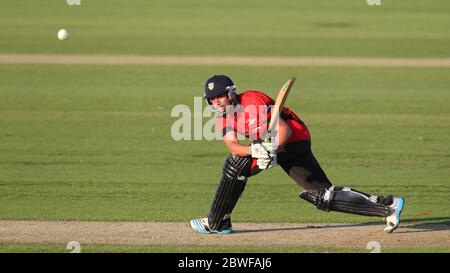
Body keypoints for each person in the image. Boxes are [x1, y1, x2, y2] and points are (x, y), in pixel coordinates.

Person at [189, 75, 404, 234]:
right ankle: (388, 205)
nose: (215, 102)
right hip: (271, 145)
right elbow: (233, 146)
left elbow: (284, 130)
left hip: (294, 140)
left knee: (236, 166)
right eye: (211, 99)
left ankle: (217, 222)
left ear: (231, 93)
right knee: (323, 195)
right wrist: (254, 150)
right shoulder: (224, 117)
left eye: (219, 97)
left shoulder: (253, 100)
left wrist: (271, 151)